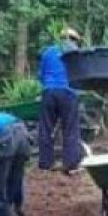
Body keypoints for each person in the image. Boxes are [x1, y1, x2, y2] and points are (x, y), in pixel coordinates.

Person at [37, 27, 83, 173]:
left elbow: (41, 75)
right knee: (70, 129)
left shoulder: (48, 51)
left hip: (49, 92)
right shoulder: (76, 53)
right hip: (69, 92)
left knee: (46, 128)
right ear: (74, 40)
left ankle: (45, 164)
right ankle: (70, 165)